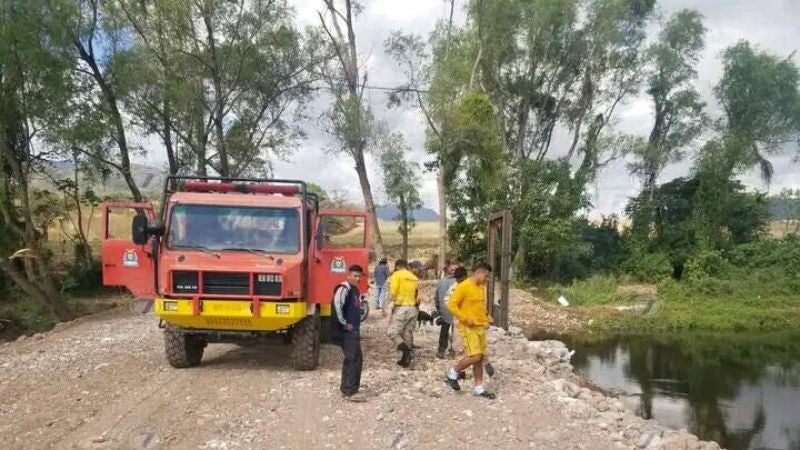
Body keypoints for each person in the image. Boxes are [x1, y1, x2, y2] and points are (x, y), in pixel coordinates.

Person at [445, 262, 496, 399]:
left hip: (480, 327)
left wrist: (486, 316)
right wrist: (464, 319)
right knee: (475, 356)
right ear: (479, 272)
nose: (487, 279)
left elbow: (479, 306)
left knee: (479, 358)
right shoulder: (464, 286)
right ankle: (452, 373)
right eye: (486, 276)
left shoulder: (480, 288)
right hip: (468, 328)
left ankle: (478, 388)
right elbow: (451, 304)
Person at [331, 265, 366, 402]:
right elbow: (337, 306)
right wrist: (344, 323)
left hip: (354, 331)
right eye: (355, 275)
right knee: (353, 359)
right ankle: (350, 391)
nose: (357, 278)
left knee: (355, 359)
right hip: (347, 332)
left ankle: (347, 388)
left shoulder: (355, 290)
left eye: (359, 276)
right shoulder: (343, 289)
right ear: (348, 275)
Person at [384, 259, 419, 367]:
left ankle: (406, 351)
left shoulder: (397, 275)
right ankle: (406, 359)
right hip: (413, 308)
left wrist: (384, 306)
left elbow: (393, 292)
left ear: (398, 266)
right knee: (406, 333)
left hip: (401, 308)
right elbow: (417, 295)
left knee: (392, 332)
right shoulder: (414, 277)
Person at [435, 266, 467, 358]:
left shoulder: (441, 281)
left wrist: (439, 310)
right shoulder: (464, 283)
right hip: (459, 313)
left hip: (445, 310)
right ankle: (453, 351)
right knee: (456, 332)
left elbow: (436, 297)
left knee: (444, 331)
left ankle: (441, 350)